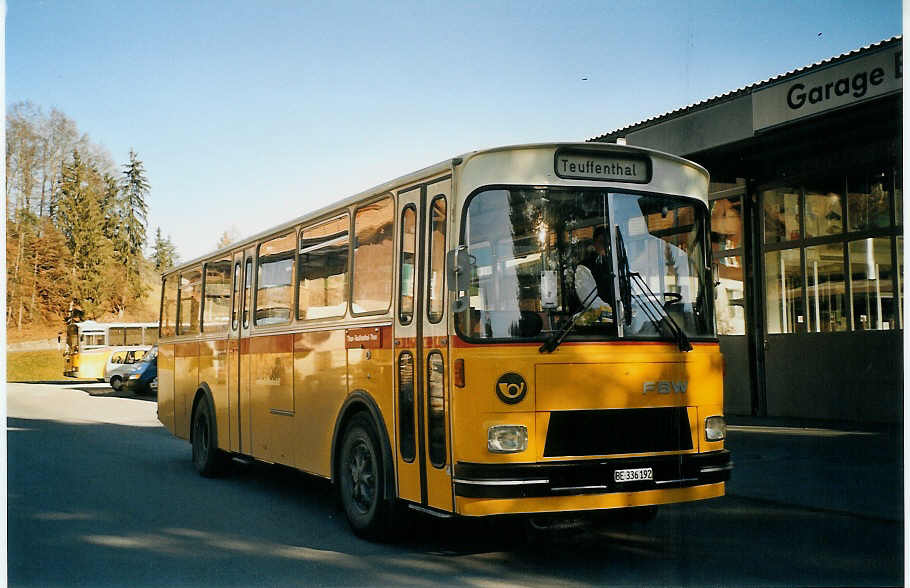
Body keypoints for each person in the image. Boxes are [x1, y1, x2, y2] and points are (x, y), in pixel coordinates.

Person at [575, 226, 614, 320]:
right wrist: (613, 312)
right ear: (595, 243)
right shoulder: (584, 267)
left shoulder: (617, 264)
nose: (606, 247)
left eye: (609, 243)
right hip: (598, 326)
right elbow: (589, 300)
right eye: (602, 243)